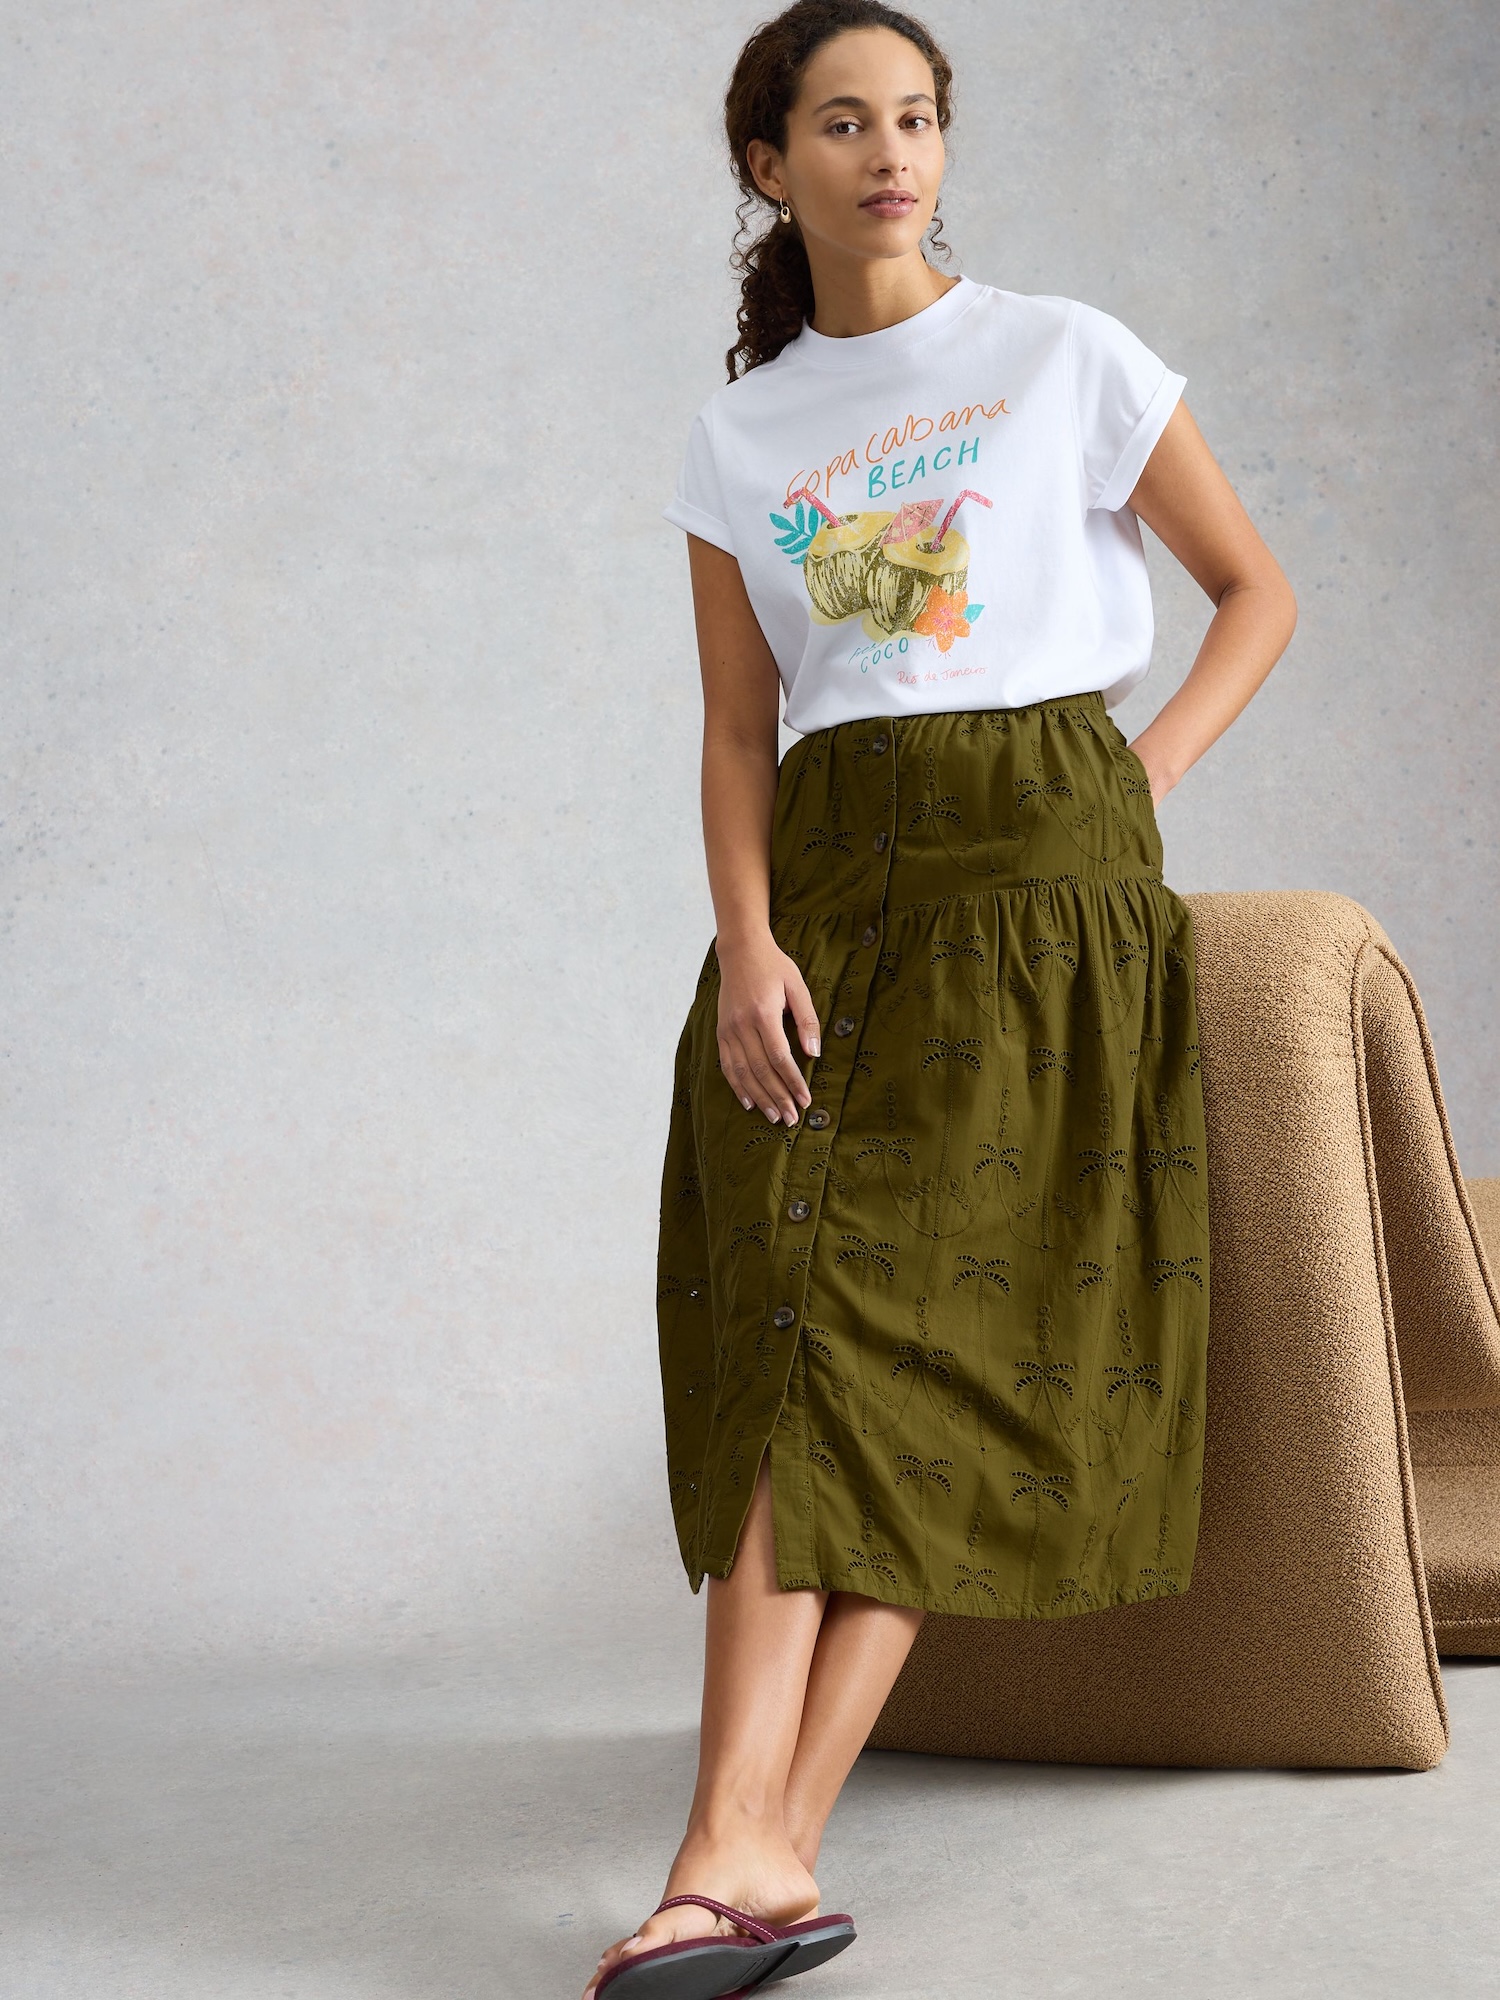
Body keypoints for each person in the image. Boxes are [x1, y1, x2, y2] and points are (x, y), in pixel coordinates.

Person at [586, 3, 1296, 1995]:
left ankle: (735, 1853)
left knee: (941, 1355)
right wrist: (745, 941)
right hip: (829, 898)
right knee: (788, 1340)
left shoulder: (1064, 354)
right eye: (843, 122)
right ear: (769, 166)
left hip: (1042, 905)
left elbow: (1257, 591)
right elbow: (739, 733)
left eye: (916, 116)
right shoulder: (742, 435)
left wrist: (1128, 789)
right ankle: (752, 1856)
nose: (891, 152)